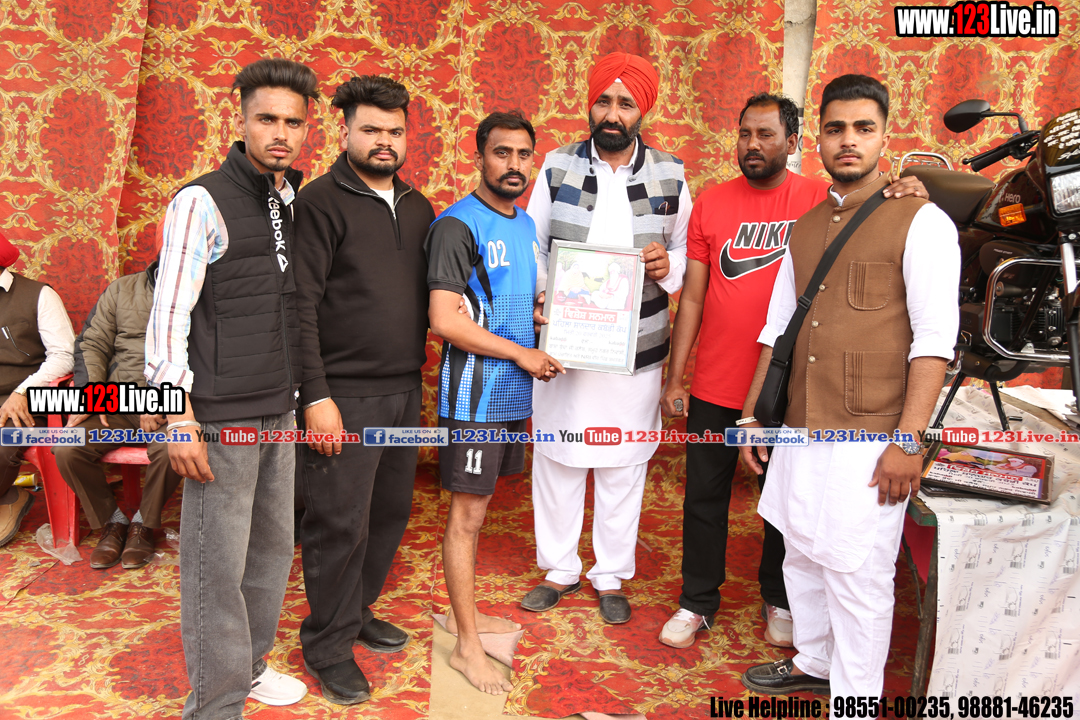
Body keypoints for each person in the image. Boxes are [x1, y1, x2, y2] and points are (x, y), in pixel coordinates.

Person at [657, 94, 927, 649]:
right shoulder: (711, 203)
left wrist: (910, 188)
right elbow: (692, 298)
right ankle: (697, 600)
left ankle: (779, 597)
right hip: (716, 382)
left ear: (795, 142)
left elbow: (879, 207)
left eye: (766, 135)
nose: (753, 145)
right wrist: (676, 376)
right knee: (703, 496)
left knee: (784, 504)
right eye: (745, 134)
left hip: (791, 389)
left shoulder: (820, 198)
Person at [738, 74, 959, 697]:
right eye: (835, 129)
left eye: (864, 128)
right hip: (801, 425)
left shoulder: (921, 221)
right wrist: (754, 418)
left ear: (885, 136)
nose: (849, 141)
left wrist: (909, 442)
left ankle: (854, 698)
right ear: (817, 138)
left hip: (872, 435)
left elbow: (934, 341)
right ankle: (814, 661)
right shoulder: (805, 227)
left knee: (857, 574)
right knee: (802, 552)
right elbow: (778, 329)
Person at [144, 58, 318, 718]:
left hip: (280, 411)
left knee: (269, 555)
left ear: (307, 128)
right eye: (267, 118)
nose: (280, 133)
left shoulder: (288, 200)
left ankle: (247, 669)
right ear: (240, 121)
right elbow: (168, 316)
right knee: (216, 569)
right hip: (219, 418)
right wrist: (177, 416)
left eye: (293, 122)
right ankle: (214, 707)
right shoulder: (200, 201)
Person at [523, 52, 690, 624]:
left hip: (637, 347)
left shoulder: (671, 173)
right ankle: (560, 568)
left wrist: (669, 265)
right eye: (604, 101)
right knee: (559, 456)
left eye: (625, 103)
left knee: (623, 462)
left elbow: (686, 252)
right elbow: (534, 244)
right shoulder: (556, 166)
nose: (613, 114)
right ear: (590, 104)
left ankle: (611, 573)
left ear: (643, 110)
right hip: (567, 342)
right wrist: (543, 297)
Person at [291, 75, 436, 705]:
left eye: (394, 131)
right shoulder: (319, 202)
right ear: (344, 130)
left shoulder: (419, 206)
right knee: (338, 523)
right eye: (371, 129)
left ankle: (355, 612)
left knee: (388, 513)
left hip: (404, 387)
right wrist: (315, 396)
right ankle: (326, 646)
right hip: (343, 396)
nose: (384, 141)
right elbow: (299, 306)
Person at [426, 111, 564, 695]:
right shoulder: (457, 225)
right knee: (467, 518)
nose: (514, 164)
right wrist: (523, 353)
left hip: (511, 394)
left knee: (479, 513)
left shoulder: (525, 223)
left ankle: (468, 617)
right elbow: (444, 320)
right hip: (475, 397)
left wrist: (540, 319)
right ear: (480, 156)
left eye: (523, 154)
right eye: (502, 152)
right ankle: (466, 646)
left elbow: (505, 300)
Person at [55, 260, 182, 569]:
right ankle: (113, 521)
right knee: (68, 446)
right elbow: (92, 343)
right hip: (118, 403)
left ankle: (143, 523)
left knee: (172, 447)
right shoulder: (122, 289)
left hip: (174, 406)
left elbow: (210, 357)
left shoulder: (202, 291)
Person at [0, 230, 75, 547]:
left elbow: (64, 355)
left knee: (3, 441)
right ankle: (11, 495)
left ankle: (9, 497)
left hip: (29, 397)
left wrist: (23, 392)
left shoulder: (39, 295)